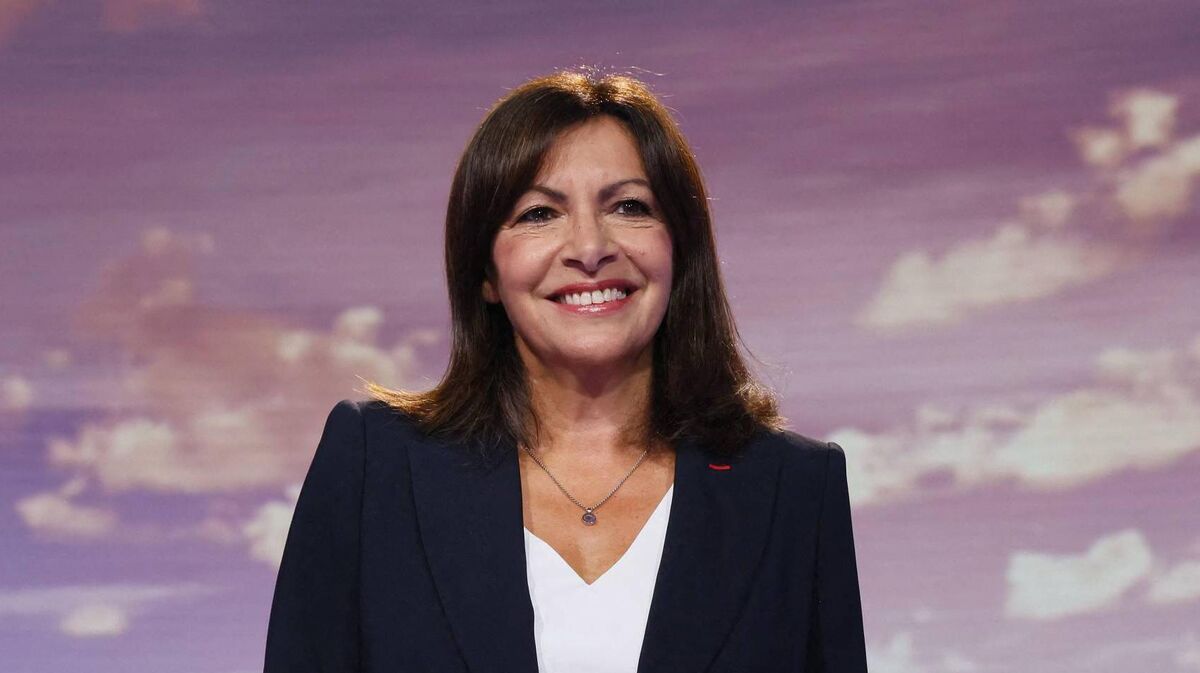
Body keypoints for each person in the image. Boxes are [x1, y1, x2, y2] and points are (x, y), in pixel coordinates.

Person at [264, 68, 867, 673]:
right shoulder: (375, 467)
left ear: (679, 250)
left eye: (629, 206)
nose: (589, 248)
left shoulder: (794, 488)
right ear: (485, 272)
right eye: (538, 214)